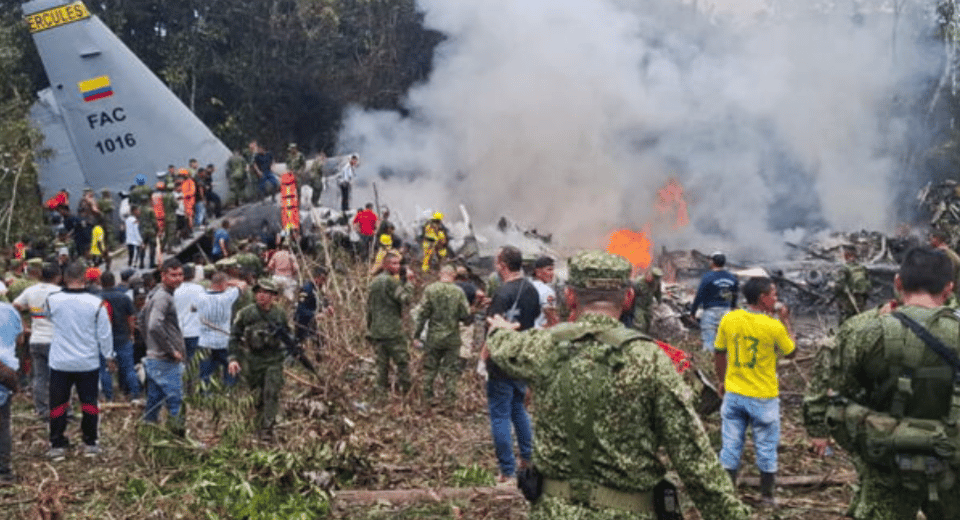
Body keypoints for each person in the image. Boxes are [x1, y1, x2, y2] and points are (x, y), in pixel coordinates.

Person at [486, 250, 750, 519]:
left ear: (570, 296)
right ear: (628, 298)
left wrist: (499, 329)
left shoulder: (541, 347)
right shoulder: (651, 359)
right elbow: (694, 461)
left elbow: (503, 346)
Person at [804, 246, 960, 519]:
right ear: (949, 288)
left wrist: (818, 428)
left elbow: (830, 389)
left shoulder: (862, 330)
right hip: (952, 464)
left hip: (886, 461)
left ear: (898, 282)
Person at [714, 276, 795, 505]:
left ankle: (727, 496)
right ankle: (767, 497)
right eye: (774, 294)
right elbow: (791, 352)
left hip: (734, 395)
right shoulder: (773, 326)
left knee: (730, 446)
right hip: (763, 397)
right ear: (763, 298)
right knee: (766, 447)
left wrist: (722, 381)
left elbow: (719, 353)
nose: (776, 299)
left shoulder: (729, 319)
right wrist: (786, 320)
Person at [480, 245, 539, 484]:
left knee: (500, 415)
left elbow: (493, 330)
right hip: (521, 358)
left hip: (501, 361)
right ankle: (528, 458)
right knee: (518, 409)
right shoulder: (531, 290)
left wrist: (483, 359)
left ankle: (507, 471)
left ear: (502, 266)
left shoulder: (502, 293)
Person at [44, 262, 114, 459]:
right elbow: (105, 334)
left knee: (58, 404)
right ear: (85, 278)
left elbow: (48, 318)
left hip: (60, 362)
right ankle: (90, 442)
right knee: (89, 403)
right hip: (87, 362)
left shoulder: (52, 300)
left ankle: (57, 444)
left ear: (64, 278)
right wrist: (109, 356)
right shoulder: (96, 303)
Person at [227, 279, 290, 441]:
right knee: (257, 394)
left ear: (273, 296)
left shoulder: (279, 314)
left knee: (271, 391)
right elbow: (234, 337)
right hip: (253, 360)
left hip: (274, 359)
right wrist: (233, 358)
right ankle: (257, 424)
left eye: (266, 293)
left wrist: (291, 352)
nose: (261, 296)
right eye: (259, 292)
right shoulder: (246, 314)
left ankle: (268, 428)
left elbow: (288, 336)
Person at [413, 264, 471, 402]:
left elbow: (422, 314)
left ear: (440, 274)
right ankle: (449, 399)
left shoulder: (430, 289)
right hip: (452, 337)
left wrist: (417, 335)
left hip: (434, 336)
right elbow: (465, 314)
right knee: (451, 369)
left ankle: (428, 396)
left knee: (430, 367)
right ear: (454, 276)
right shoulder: (458, 292)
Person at [141, 258, 185, 431]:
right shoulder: (162, 297)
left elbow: (141, 320)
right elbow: (153, 325)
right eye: (173, 275)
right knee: (175, 401)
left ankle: (148, 432)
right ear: (163, 275)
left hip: (155, 357)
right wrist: (170, 350)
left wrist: (151, 346)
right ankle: (178, 436)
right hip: (164, 359)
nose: (178, 279)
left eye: (180, 274)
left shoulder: (156, 294)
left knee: (155, 399)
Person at [12, 263, 60, 419]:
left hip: (36, 339)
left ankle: (42, 409)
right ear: (57, 277)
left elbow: (15, 306)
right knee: (59, 377)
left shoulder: (31, 291)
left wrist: (23, 325)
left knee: (39, 377)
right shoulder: (59, 292)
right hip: (55, 340)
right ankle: (59, 409)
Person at [366, 252, 413, 393]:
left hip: (377, 331)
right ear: (385, 265)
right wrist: (409, 282)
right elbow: (406, 299)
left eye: (398, 263)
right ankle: (406, 392)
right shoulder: (391, 281)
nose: (398, 266)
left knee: (381, 366)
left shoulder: (374, 282)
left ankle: (380, 393)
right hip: (393, 331)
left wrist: (369, 327)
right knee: (402, 362)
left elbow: (369, 308)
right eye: (394, 263)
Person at [98, 272, 141, 402]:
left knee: (104, 368)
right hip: (122, 337)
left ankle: (108, 395)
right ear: (114, 282)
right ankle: (134, 393)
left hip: (103, 338)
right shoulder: (124, 297)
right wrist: (131, 334)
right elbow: (131, 318)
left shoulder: (97, 298)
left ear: (101, 283)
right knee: (128, 367)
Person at [197, 273, 241, 387]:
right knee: (230, 367)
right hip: (223, 341)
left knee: (205, 371)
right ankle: (229, 390)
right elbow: (242, 284)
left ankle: (205, 392)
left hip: (204, 342)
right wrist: (229, 282)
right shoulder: (227, 297)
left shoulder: (200, 296)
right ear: (223, 284)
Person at [690, 251, 738, 352]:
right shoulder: (732, 278)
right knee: (726, 342)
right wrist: (733, 307)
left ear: (713, 262)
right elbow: (735, 295)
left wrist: (693, 312)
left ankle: (709, 358)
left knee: (708, 341)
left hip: (710, 312)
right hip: (726, 312)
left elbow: (699, 296)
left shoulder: (707, 277)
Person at [0, 299, 22, 484]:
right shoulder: (10, 311)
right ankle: (4, 471)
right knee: (3, 424)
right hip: (5, 374)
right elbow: (20, 339)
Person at [174, 264, 204, 363]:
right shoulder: (199, 289)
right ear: (193, 275)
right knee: (194, 363)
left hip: (178, 333)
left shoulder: (175, 290)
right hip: (195, 332)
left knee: (181, 362)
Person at [294, 267, 330, 347]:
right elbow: (300, 309)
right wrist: (314, 315)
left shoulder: (318, 290)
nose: (323, 282)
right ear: (316, 277)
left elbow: (321, 301)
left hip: (314, 324)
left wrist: (328, 306)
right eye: (322, 279)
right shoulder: (307, 289)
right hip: (304, 323)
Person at [835, 245, 871, 323]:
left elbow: (839, 284)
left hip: (849, 296)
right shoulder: (861, 267)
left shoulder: (844, 268)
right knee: (860, 313)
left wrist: (837, 292)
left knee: (846, 316)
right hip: (861, 295)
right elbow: (868, 281)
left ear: (846, 256)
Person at [626, 267, 663, 334]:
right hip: (638, 306)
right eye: (651, 277)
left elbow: (658, 293)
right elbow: (631, 294)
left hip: (648, 306)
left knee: (648, 323)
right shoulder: (638, 282)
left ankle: (645, 335)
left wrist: (659, 302)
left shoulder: (656, 283)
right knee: (640, 323)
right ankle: (637, 336)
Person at [929, 229, 960, 296]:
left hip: (944, 293)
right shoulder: (952, 254)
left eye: (932, 237)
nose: (930, 240)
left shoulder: (942, 254)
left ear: (937, 239)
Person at [530, 256, 558, 329]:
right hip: (541, 331)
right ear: (538, 272)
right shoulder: (547, 291)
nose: (552, 273)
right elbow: (553, 319)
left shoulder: (527, 286)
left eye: (552, 270)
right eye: (549, 270)